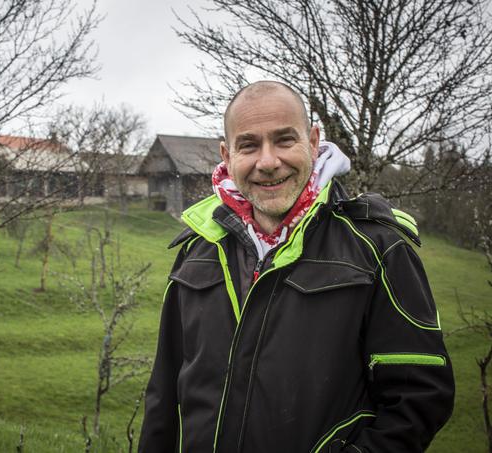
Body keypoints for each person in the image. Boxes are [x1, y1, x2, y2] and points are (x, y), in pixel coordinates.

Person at [138, 81, 455, 452]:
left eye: (284, 140)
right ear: (227, 154)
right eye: (249, 145)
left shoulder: (379, 247)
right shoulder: (197, 249)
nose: (268, 162)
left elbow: (419, 398)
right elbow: (162, 397)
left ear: (313, 139)